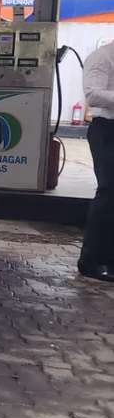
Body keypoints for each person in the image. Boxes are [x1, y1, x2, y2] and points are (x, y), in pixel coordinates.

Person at [79, 39, 114, 283]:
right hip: (107, 130)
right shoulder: (103, 57)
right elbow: (93, 94)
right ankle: (91, 260)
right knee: (109, 192)